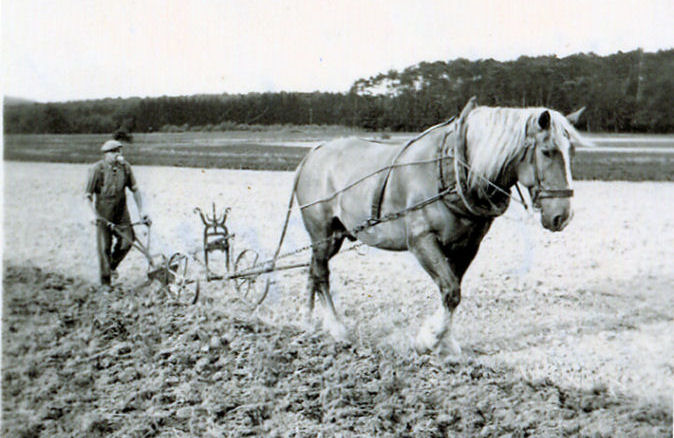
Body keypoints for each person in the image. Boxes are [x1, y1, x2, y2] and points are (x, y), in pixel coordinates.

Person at [85, 139, 151, 290]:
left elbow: (135, 189)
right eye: (114, 152)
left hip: (121, 212)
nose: (118, 154)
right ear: (106, 154)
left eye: (119, 151)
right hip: (103, 213)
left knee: (128, 240)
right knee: (104, 247)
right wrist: (92, 214)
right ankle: (105, 283)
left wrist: (142, 211)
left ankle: (111, 266)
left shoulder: (125, 168)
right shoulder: (97, 169)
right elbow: (88, 195)